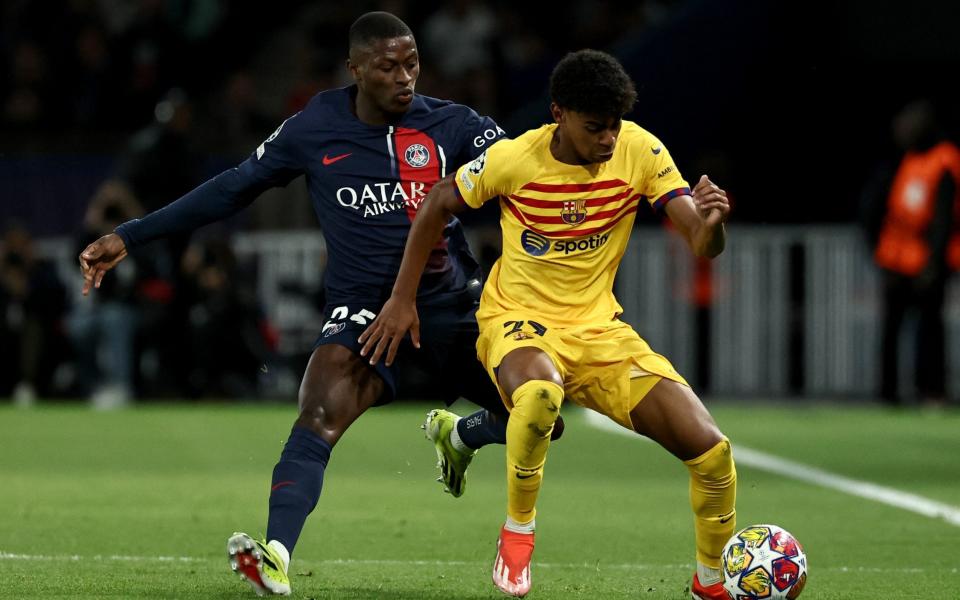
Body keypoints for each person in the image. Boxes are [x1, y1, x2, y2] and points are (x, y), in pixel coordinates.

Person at [77, 12, 563, 596]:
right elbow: (231, 188)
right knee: (317, 415)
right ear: (355, 69)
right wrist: (129, 235)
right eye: (387, 67)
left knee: (544, 418)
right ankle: (276, 554)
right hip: (364, 310)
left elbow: (531, 173)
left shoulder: (454, 125)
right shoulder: (313, 128)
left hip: (452, 305)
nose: (404, 77)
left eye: (412, 64)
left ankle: (461, 437)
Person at [361, 49, 736, 599]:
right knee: (539, 396)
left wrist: (713, 224)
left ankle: (711, 583)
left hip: (601, 332)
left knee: (713, 454)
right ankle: (517, 535)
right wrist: (402, 298)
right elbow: (438, 204)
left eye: (614, 127)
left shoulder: (641, 150)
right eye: (595, 128)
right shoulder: (515, 159)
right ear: (559, 113)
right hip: (517, 319)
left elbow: (702, 243)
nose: (608, 140)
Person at [863, 99, 960, 406]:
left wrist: (934, 263)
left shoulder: (944, 159)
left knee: (930, 328)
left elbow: (944, 216)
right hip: (896, 260)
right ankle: (887, 393)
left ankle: (932, 391)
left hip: (926, 260)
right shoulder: (906, 159)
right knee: (892, 327)